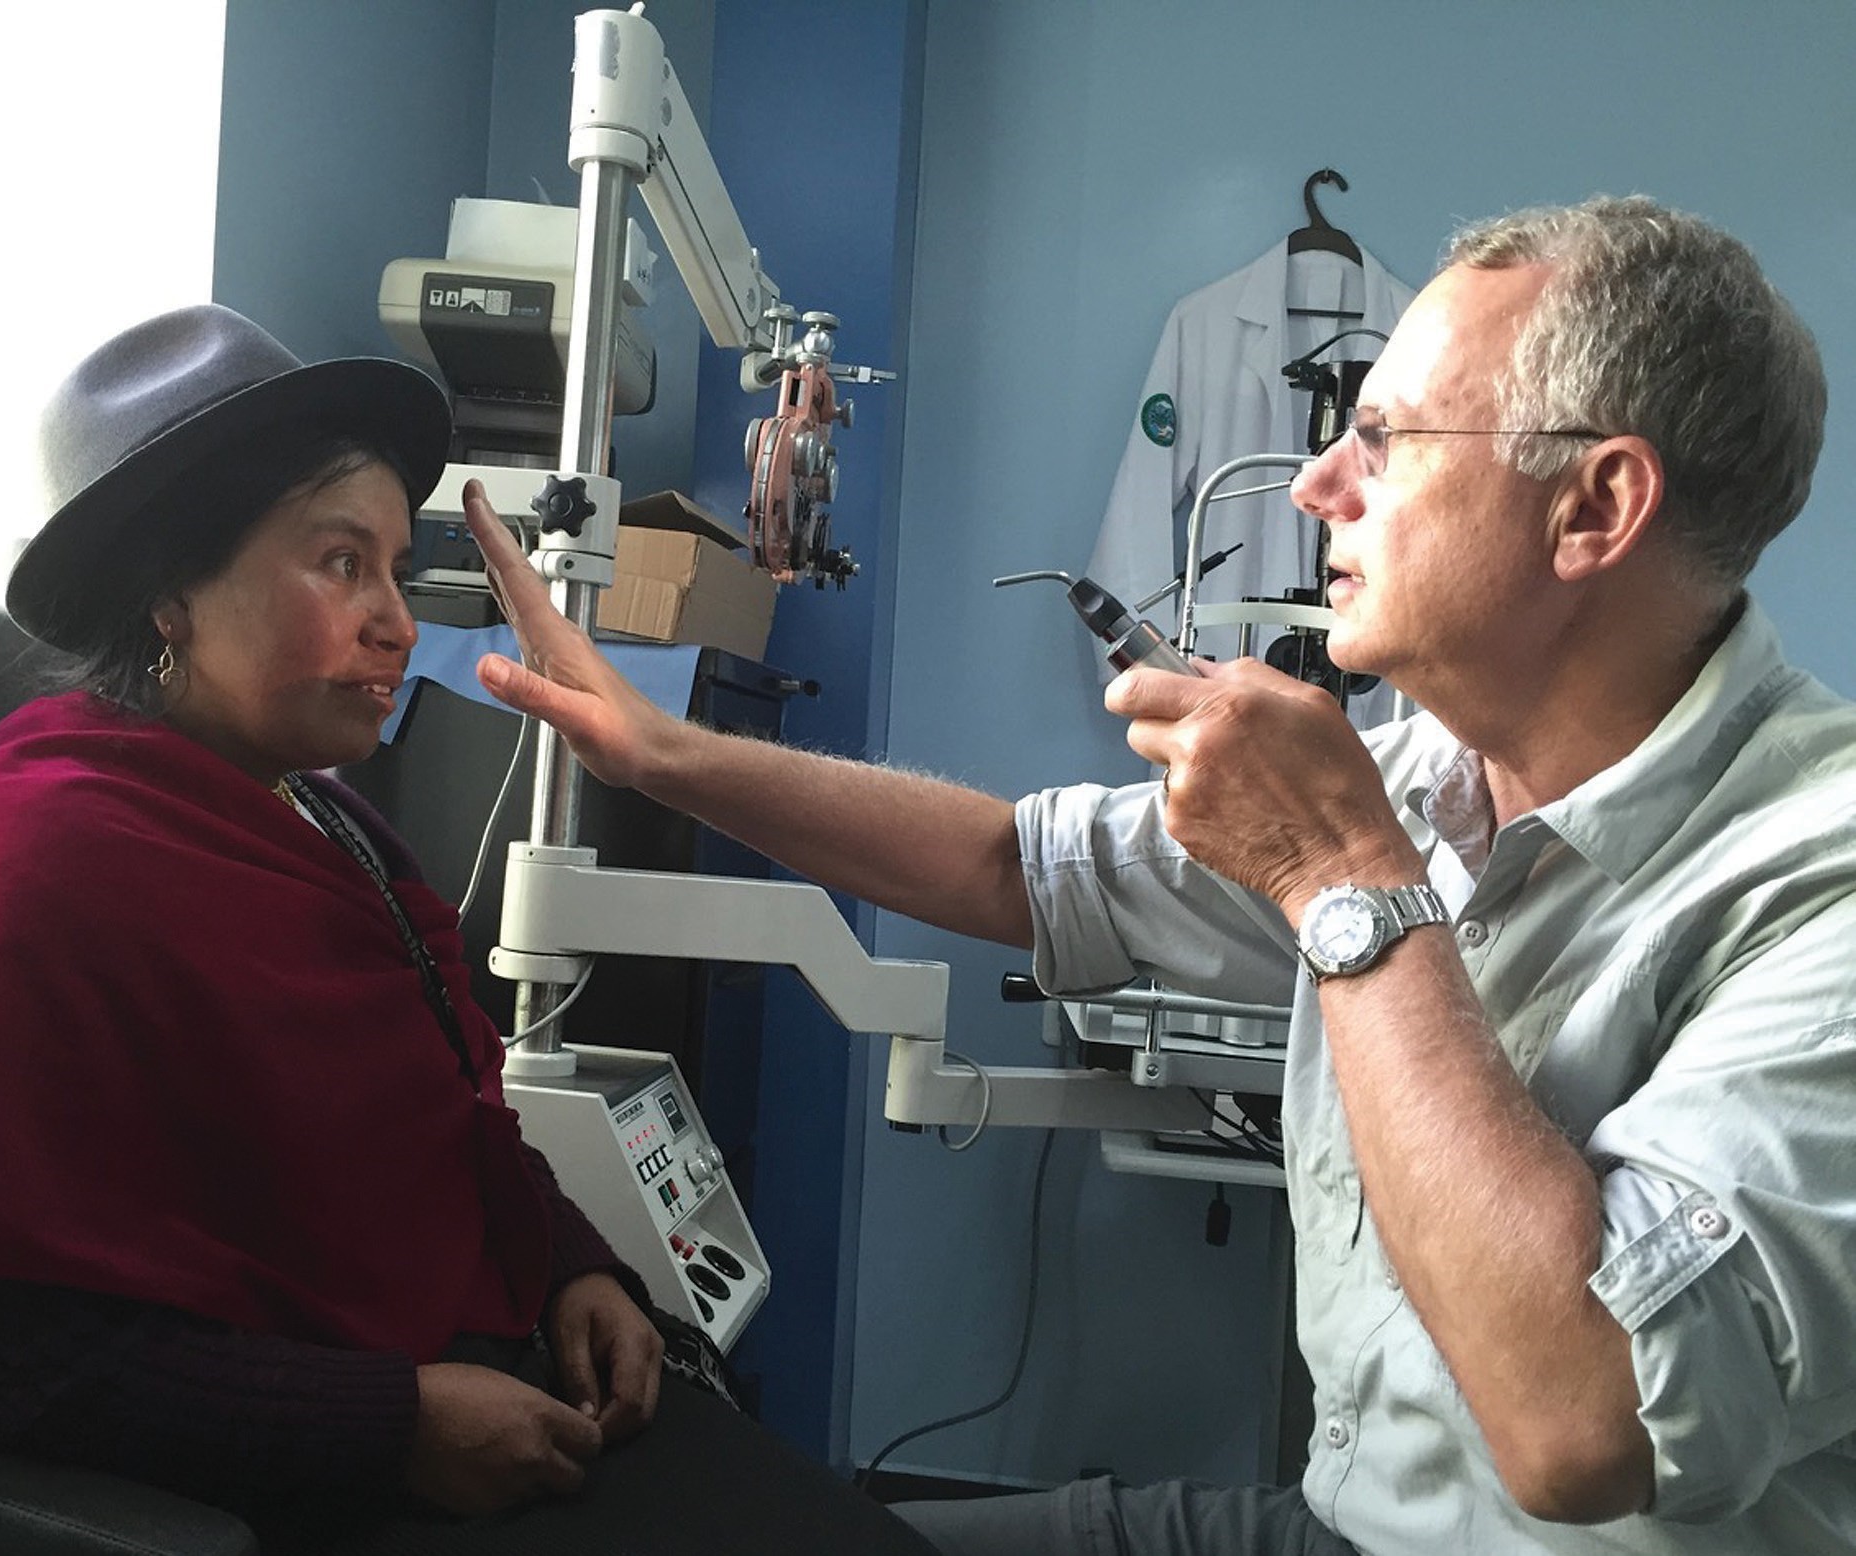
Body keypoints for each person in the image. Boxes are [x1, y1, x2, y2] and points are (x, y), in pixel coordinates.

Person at [457, 195, 1856, 1555]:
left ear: (1595, 506)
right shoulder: (1431, 769)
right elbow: (1022, 866)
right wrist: (664, 758)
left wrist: (1338, 875)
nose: (1320, 485)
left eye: (1383, 438)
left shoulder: (1815, 880)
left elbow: (1585, 1425)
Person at [0, 304, 935, 1555]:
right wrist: (388, 1422)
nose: (399, 621)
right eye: (338, 563)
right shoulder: (18, 878)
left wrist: (575, 1269)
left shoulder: (323, 823)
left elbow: (437, 1132)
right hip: (305, 1478)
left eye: (392, 565)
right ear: (170, 595)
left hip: (494, 1385)